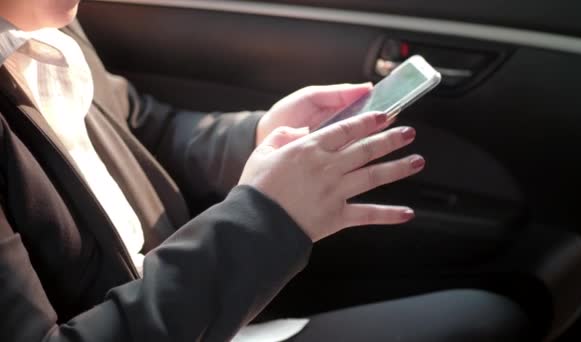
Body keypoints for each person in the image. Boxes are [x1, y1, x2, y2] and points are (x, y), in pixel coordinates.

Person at [0, 0, 535, 341]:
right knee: (485, 319)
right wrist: (268, 217)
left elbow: (143, 125)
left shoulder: (39, 19)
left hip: (197, 305)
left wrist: (260, 135)